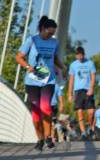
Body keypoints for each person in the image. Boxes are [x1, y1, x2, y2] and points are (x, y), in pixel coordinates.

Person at [15, 16, 66, 151]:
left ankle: (49, 137)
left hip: (48, 80)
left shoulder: (54, 42)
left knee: (46, 108)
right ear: (43, 29)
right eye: (49, 33)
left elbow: (55, 58)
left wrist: (63, 68)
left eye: (53, 34)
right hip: (32, 80)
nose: (51, 36)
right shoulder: (31, 40)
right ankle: (40, 139)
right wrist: (27, 66)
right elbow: (19, 57)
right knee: (36, 111)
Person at [68, 46, 97, 139]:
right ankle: (83, 132)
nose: (80, 57)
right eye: (78, 55)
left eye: (81, 55)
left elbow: (93, 77)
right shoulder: (73, 65)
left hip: (88, 89)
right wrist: (70, 94)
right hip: (78, 90)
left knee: (91, 112)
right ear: (76, 55)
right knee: (79, 111)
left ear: (84, 54)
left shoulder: (90, 63)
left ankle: (90, 127)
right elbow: (71, 80)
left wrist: (91, 88)